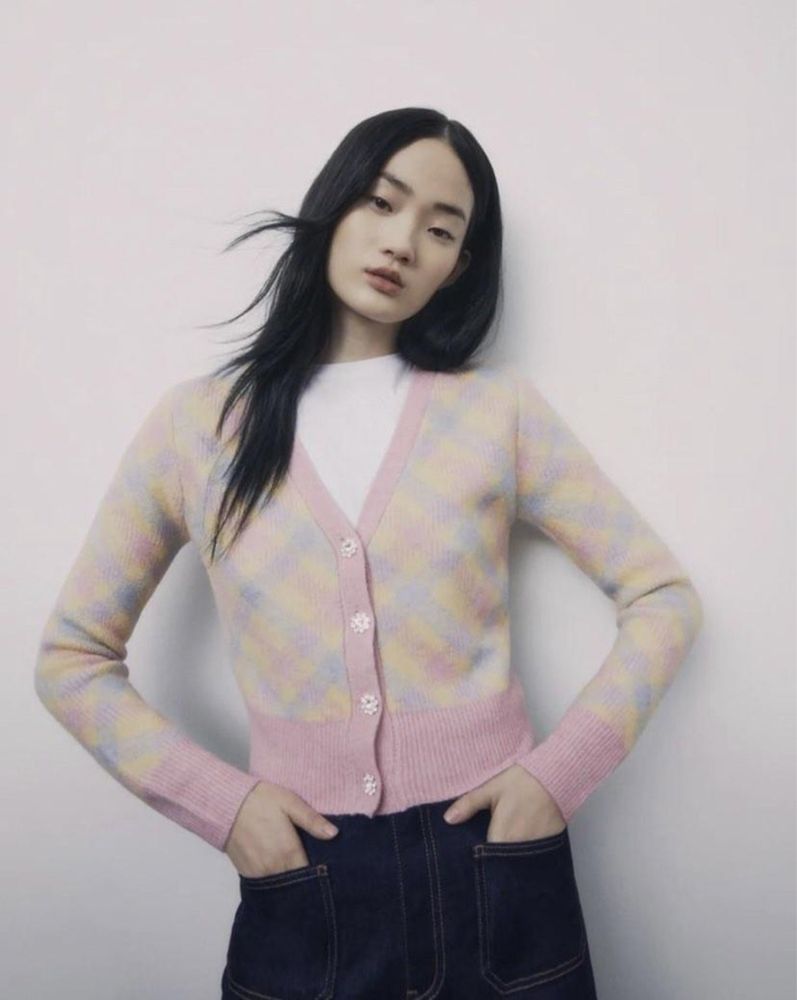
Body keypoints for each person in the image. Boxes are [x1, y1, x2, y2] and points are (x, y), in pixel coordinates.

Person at [34, 107, 703, 999]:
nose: (401, 243)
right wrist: (224, 805)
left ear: (458, 266)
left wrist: (557, 775)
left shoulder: (495, 414)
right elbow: (71, 659)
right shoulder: (196, 428)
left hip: (496, 864)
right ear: (335, 204)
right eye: (381, 203)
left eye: (440, 230)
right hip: (304, 872)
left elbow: (661, 596)